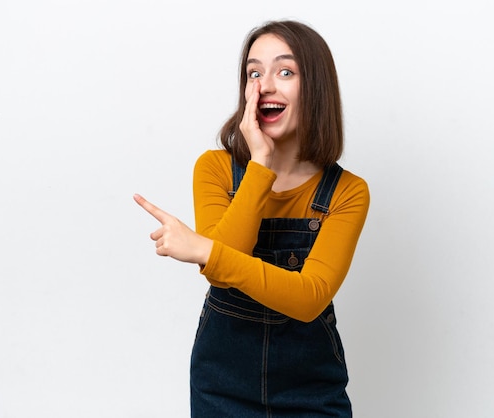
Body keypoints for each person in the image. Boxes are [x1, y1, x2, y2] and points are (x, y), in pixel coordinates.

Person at [134, 19, 369, 417]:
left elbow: (310, 298)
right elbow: (220, 275)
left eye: (286, 71)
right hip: (222, 382)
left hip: (309, 387)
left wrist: (205, 248)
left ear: (316, 88)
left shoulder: (347, 192)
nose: (266, 86)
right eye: (254, 73)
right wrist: (260, 162)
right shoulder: (215, 169)